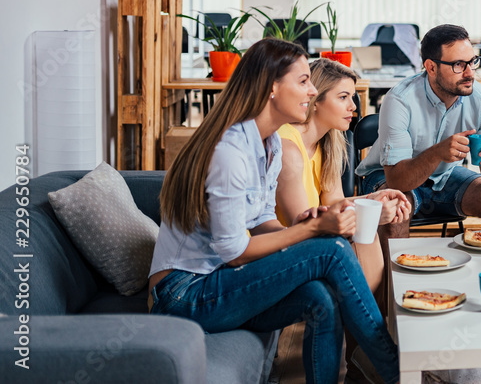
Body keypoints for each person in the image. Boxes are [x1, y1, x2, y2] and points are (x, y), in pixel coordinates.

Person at [149, 38, 399, 384]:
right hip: (184, 294)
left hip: (218, 280)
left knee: (321, 298)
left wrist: (302, 222)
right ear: (271, 88)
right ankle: (395, 370)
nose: (312, 91)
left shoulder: (268, 146)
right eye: (303, 81)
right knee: (331, 250)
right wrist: (311, 231)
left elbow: (262, 221)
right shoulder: (230, 153)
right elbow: (235, 253)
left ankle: (375, 368)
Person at [274, 57, 411, 323]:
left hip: (311, 242)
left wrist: (372, 199)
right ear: (316, 99)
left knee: (366, 228)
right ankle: (373, 338)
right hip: (284, 249)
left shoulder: (327, 143)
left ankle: (371, 338)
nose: (353, 107)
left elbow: (335, 202)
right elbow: (305, 227)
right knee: (365, 231)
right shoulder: (288, 148)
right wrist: (369, 214)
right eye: (343, 97)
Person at [356, 24, 481, 239]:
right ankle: (390, 274)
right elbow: (398, 182)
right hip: (389, 176)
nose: (469, 73)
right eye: (458, 65)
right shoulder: (400, 100)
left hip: (445, 176)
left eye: (472, 62)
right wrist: (437, 153)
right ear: (431, 68)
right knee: (396, 207)